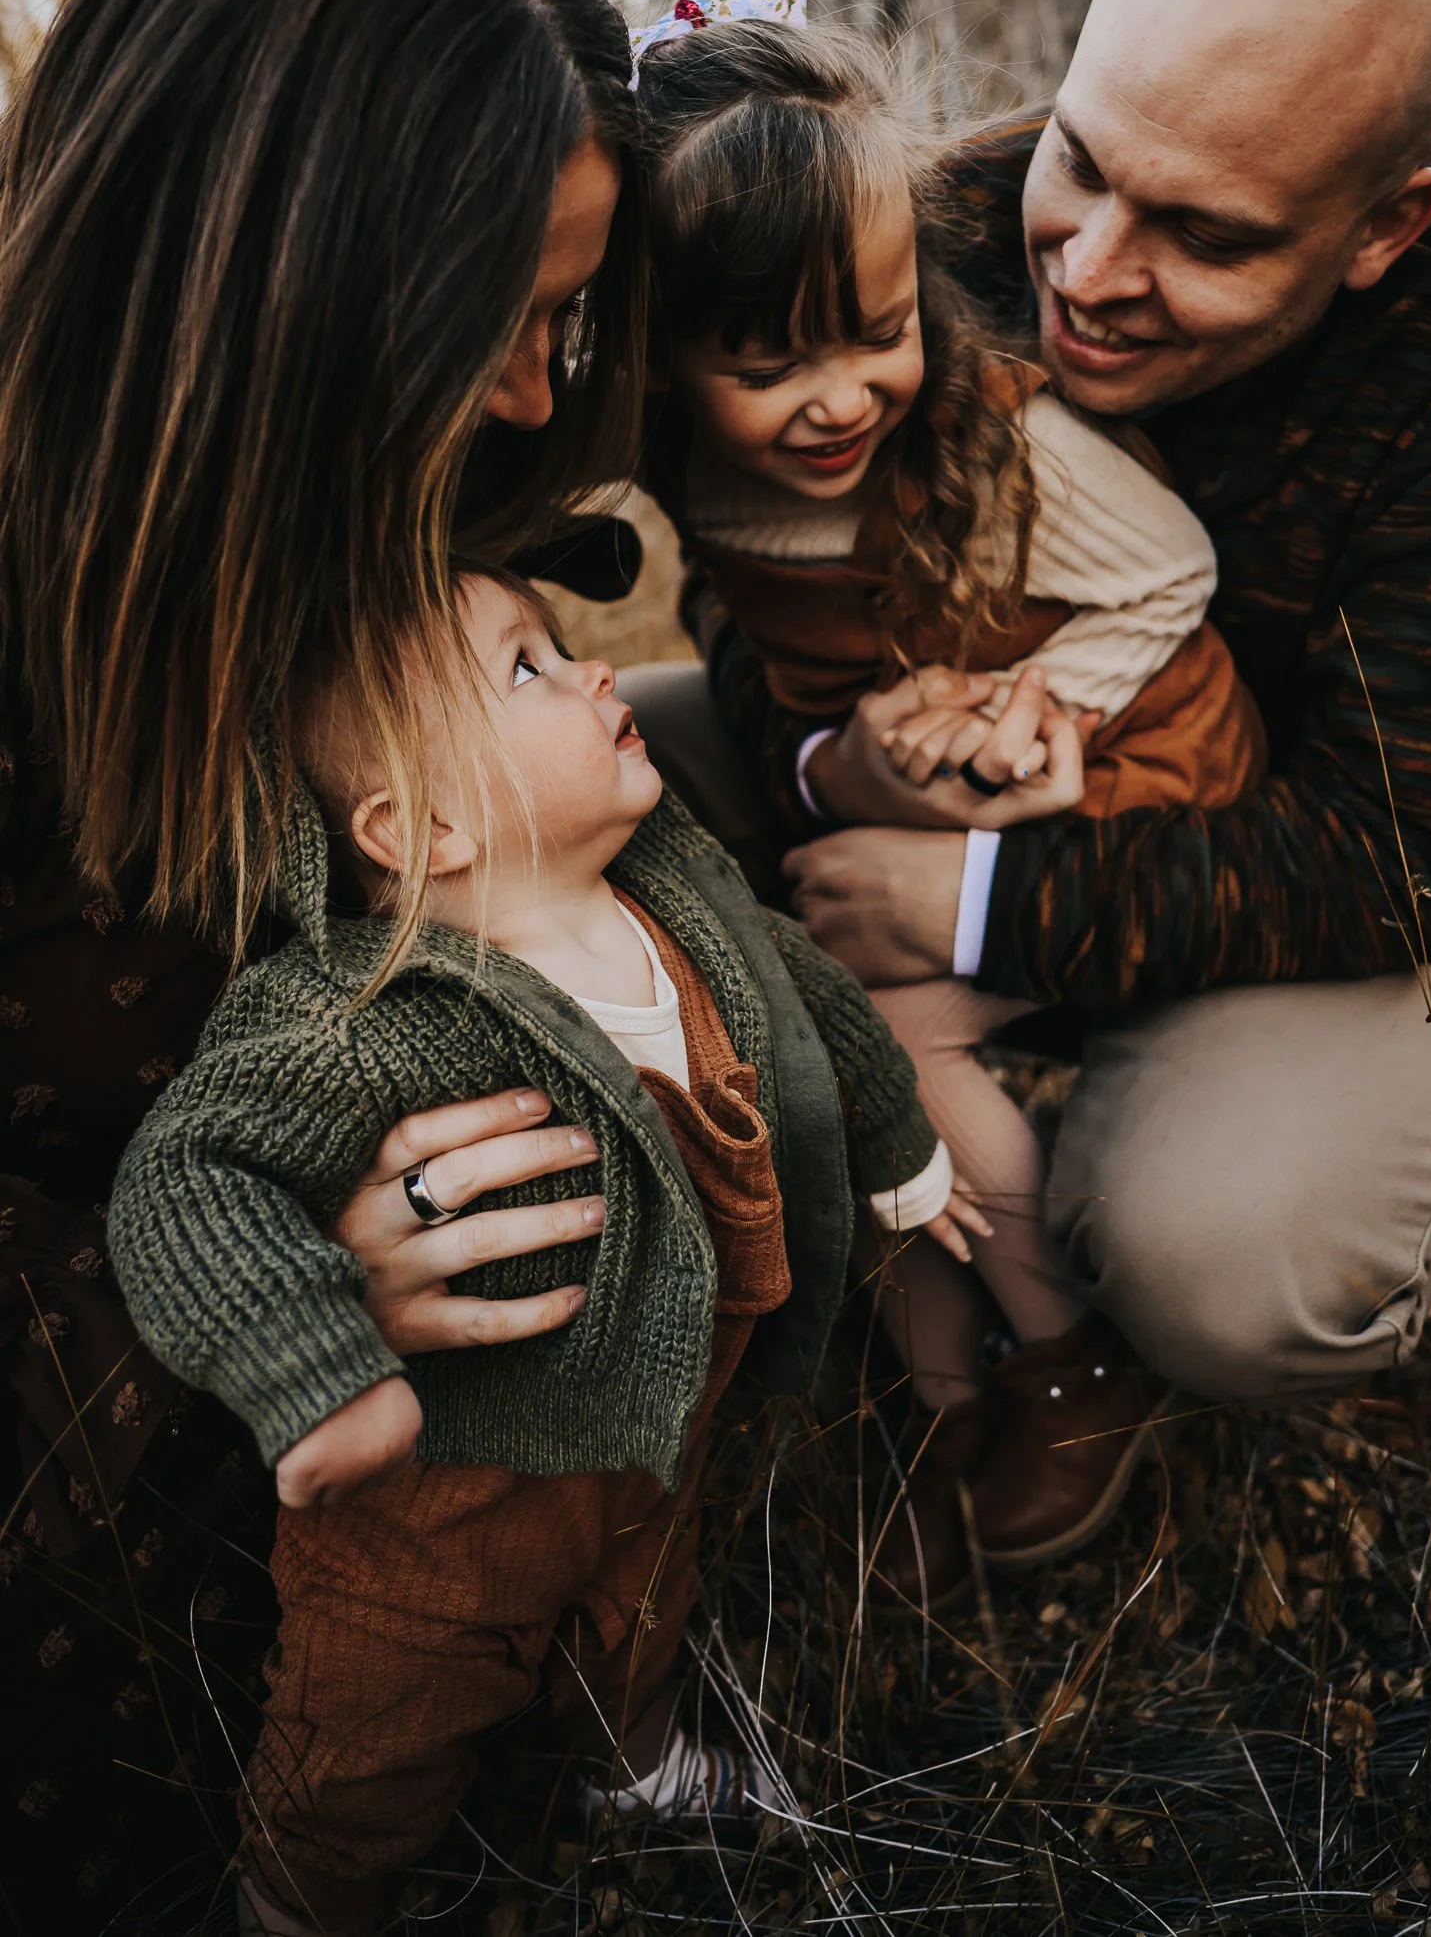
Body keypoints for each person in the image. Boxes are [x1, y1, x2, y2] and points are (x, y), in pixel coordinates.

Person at [620, 0, 1431, 1599]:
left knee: (1213, 1256)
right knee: (588, 767)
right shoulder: (940, 215)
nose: (1086, 266)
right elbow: (748, 549)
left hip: (1313, 892)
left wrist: (975, 911)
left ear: (1383, 223)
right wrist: (826, 770)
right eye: (1084, 161)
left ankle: (1095, 1292)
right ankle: (781, 1210)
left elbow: (1389, 854)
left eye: (1207, 236)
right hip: (937, 770)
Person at [0, 0, 654, 1928]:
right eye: (501, 316)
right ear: (278, 288)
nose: (541, 389)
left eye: (571, 308)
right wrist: (269, 1298)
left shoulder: (354, 518)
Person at [110, 568, 961, 1936]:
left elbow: (806, 1000)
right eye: (528, 669)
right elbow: (192, 1174)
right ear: (422, 827)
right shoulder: (365, 1019)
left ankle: (638, 1771)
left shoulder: (672, 907)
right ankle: (298, 1900)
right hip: (441, 1517)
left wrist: (900, 1151)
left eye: (563, 648)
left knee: (642, 1611)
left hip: (652, 1432)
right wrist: (315, 1366)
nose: (594, 674)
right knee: (370, 1735)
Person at [632, 0, 1264, 1598]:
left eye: (874, 334)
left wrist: (1030, 708)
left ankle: (1059, 1354)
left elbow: (1172, 577)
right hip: (925, 774)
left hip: (1125, 767)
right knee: (821, 1018)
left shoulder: (996, 440)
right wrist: (848, 760)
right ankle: (938, 1388)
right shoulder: (687, 469)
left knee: (887, 1031)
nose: (838, 399)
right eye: (766, 361)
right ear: (661, 351)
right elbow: (778, 668)